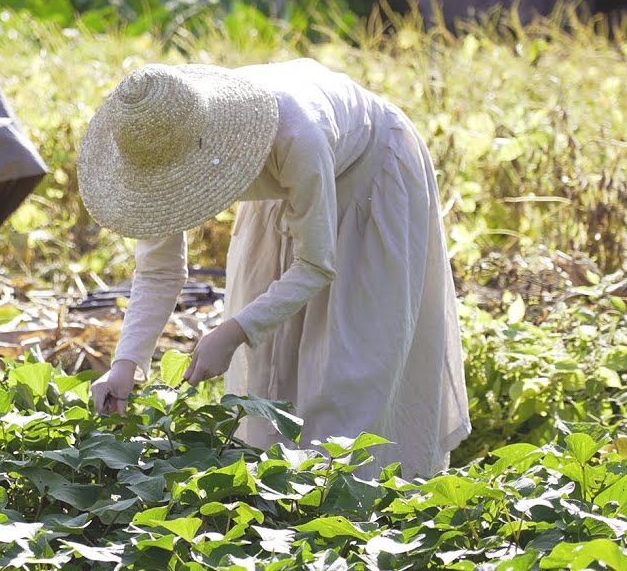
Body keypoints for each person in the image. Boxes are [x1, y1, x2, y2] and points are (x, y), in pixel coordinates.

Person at [77, 59, 471, 479]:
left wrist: (231, 333)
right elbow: (158, 272)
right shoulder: (154, 149)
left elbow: (317, 263)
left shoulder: (295, 133)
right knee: (270, 377)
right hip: (282, 195)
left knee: (350, 374)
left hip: (367, 177)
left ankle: (355, 507)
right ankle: (283, 502)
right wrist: (125, 366)